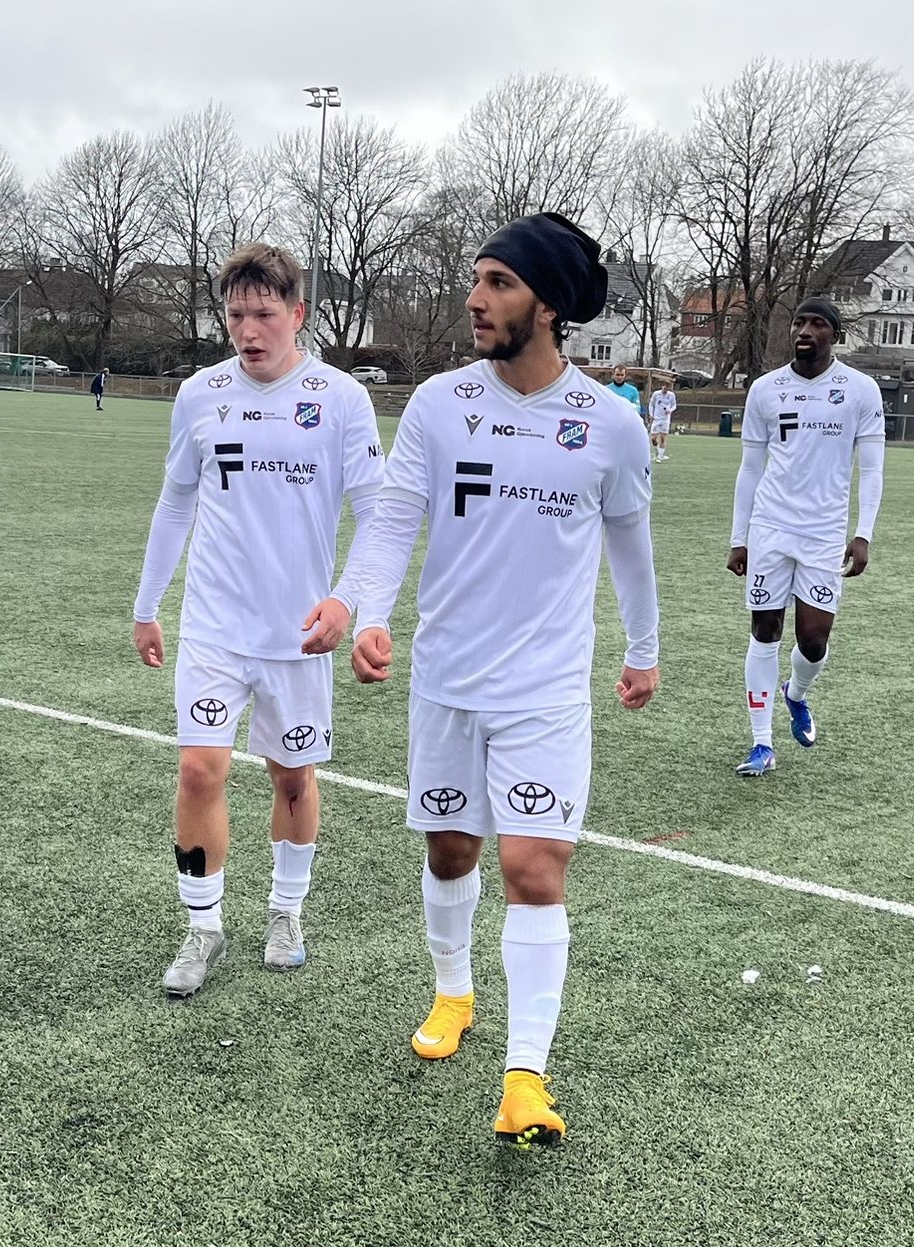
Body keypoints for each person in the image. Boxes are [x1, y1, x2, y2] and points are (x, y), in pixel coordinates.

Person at [308, 212, 660, 1147]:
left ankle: (525, 1076)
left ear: (548, 305)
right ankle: (454, 990)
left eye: (498, 282)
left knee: (533, 867)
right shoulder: (438, 404)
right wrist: (364, 610)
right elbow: (395, 517)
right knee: (452, 852)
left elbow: (631, 544)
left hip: (545, 690)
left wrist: (644, 646)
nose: (475, 298)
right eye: (477, 279)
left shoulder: (611, 425)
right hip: (447, 680)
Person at [132, 243, 384, 998]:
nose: (248, 330)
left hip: (298, 634)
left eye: (265, 314)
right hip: (214, 626)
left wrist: (349, 602)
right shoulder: (199, 394)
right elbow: (175, 502)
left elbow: (378, 514)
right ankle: (202, 926)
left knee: (293, 777)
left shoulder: (341, 399)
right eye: (236, 314)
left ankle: (285, 912)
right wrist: (147, 605)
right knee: (197, 769)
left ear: (297, 314)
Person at [726, 297, 884, 778]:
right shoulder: (765, 389)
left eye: (818, 324)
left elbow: (871, 469)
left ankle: (795, 694)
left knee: (813, 640)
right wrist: (739, 537)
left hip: (823, 532)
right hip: (770, 526)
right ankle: (761, 742)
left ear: (836, 335)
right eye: (799, 322)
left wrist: (863, 534)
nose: (805, 331)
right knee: (764, 629)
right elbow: (750, 468)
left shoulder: (860, 390)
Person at [648, 380, 678, 461]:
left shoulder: (671, 395)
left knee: (663, 437)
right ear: (662, 386)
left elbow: (674, 405)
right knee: (653, 438)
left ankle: (660, 457)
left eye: (667, 387)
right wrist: (651, 414)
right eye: (665, 386)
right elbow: (651, 404)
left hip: (665, 419)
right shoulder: (656, 394)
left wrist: (670, 410)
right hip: (656, 419)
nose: (666, 388)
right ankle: (657, 452)